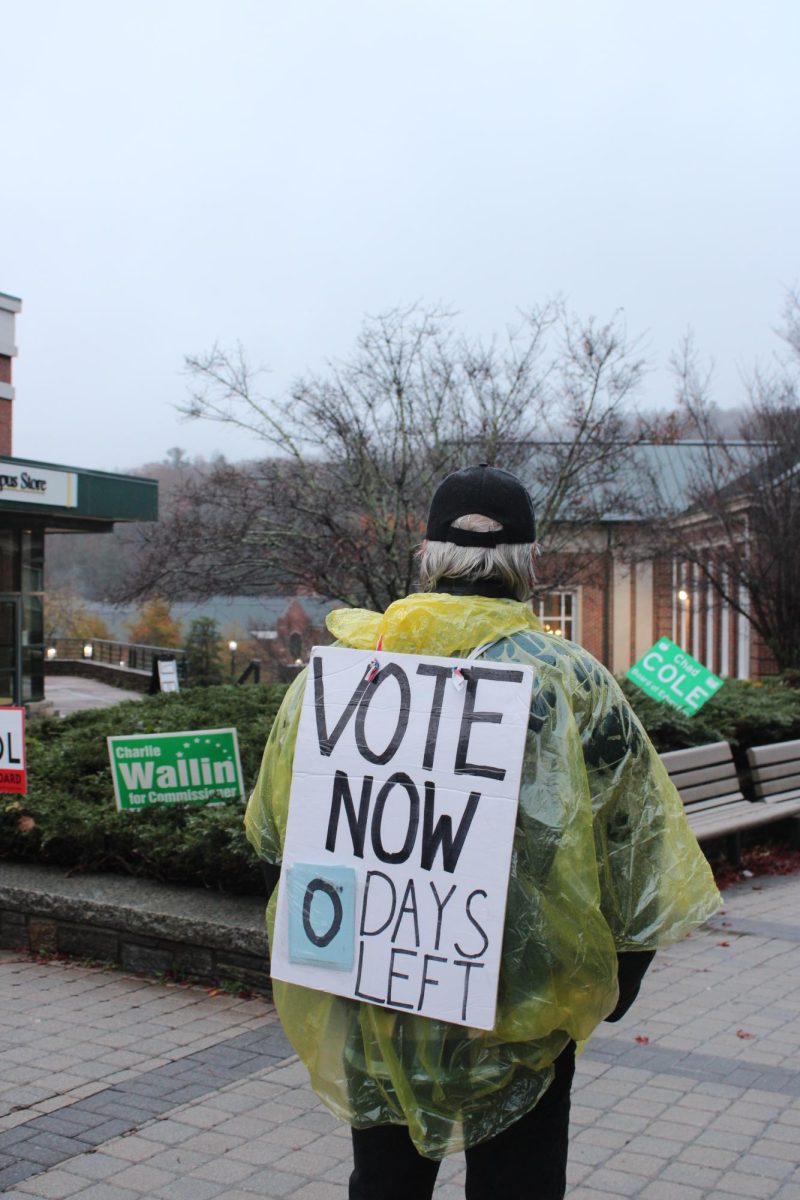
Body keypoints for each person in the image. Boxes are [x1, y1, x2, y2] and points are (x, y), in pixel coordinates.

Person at [245, 463, 720, 1200]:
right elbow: (636, 839)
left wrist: (327, 953)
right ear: (526, 564)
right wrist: (618, 977)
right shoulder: (573, 680)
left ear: (427, 556)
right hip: (527, 998)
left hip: (381, 980)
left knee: (386, 1184)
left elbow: (281, 833)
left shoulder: (346, 675)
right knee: (518, 1186)